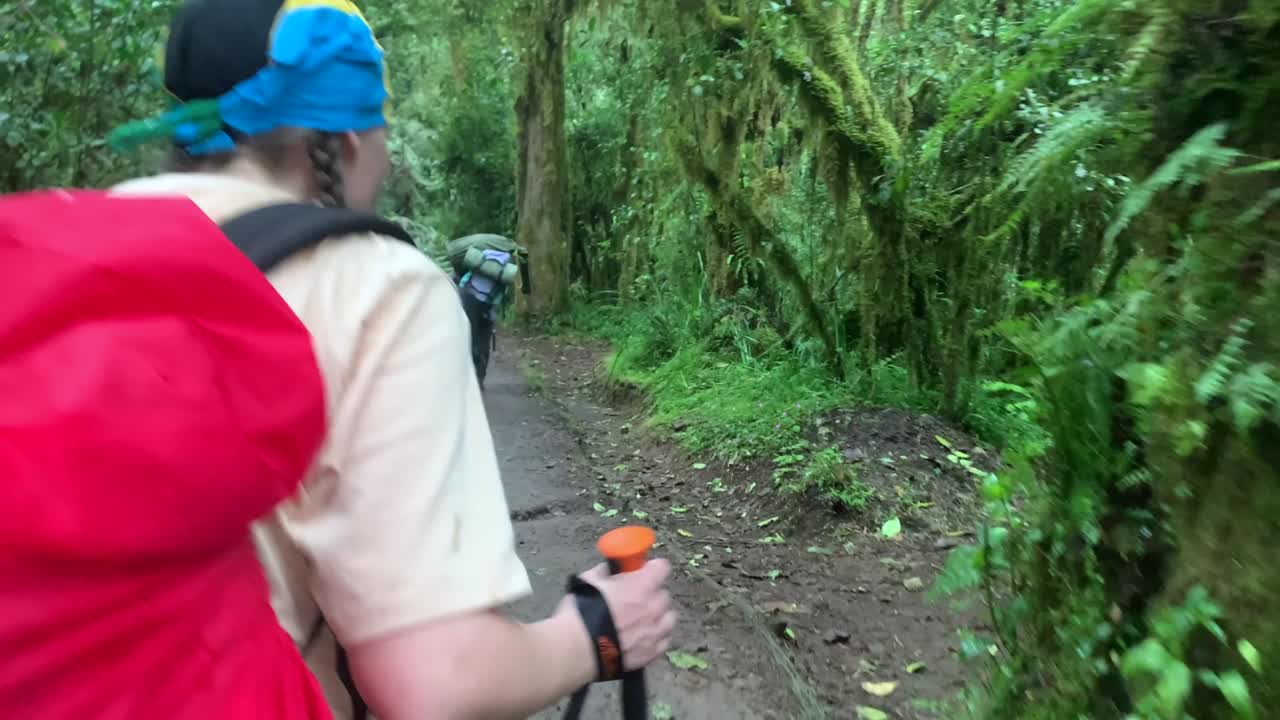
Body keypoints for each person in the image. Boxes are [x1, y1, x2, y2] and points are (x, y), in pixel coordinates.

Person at [106, 1, 676, 719]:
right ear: (346, 136)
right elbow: (433, 683)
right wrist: (591, 634)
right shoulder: (372, 283)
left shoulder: (76, 246)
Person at [447, 233, 526, 390]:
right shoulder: (506, 264)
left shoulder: (479, 257)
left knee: (468, 336)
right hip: (487, 303)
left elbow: (463, 279)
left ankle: (464, 378)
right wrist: (492, 312)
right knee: (483, 340)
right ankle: (479, 379)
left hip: (468, 296)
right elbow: (501, 291)